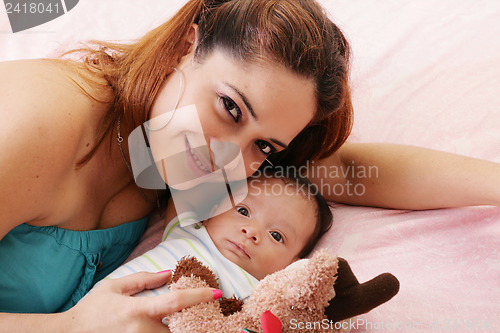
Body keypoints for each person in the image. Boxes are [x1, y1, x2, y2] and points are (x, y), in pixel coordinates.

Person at [0, 0, 498, 331]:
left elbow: (345, 172)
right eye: (231, 108)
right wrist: (68, 328)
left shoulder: (186, 152)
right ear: (184, 47)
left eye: (266, 146)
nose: (230, 162)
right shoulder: (34, 121)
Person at [101, 170, 333, 302]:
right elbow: (189, 181)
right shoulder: (188, 230)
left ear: (291, 265)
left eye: (276, 235)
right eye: (243, 211)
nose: (251, 232)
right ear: (211, 211)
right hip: (91, 316)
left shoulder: (260, 294)